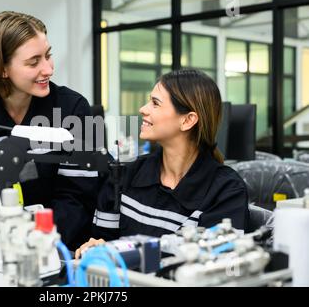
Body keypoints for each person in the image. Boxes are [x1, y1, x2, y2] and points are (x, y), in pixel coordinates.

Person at [0, 11, 100, 261]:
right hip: (4, 246)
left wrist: (35, 243)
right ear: (2, 69)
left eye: (48, 55)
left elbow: (78, 194)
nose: (49, 69)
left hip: (62, 247)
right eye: (34, 62)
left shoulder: (74, 109)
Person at [76, 69, 249, 258]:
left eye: (155, 103)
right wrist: (96, 248)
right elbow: (103, 239)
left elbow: (214, 268)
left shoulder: (226, 191)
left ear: (187, 120)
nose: (143, 109)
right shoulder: (125, 174)